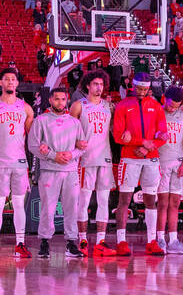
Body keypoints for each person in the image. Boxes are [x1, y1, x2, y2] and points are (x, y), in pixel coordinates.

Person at [0, 68, 36, 259]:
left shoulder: (26, 108)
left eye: (14, 79)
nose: (11, 82)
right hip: (0, 163)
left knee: (19, 204)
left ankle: (20, 243)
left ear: (17, 83)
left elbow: (33, 138)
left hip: (20, 163)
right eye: (7, 79)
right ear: (0, 83)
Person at [27, 87, 88, 258]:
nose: (60, 102)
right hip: (49, 170)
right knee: (48, 208)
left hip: (70, 171)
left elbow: (82, 146)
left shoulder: (75, 122)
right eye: (56, 99)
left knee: (71, 208)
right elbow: (32, 145)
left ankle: (71, 243)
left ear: (67, 100)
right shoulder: (41, 120)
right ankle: (44, 242)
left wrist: (72, 154)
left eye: (63, 99)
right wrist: (53, 155)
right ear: (50, 101)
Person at [111, 73, 168, 255]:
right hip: (129, 158)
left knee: (151, 200)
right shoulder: (123, 105)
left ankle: (152, 240)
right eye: (139, 89)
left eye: (145, 89)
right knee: (124, 200)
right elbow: (118, 136)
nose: (142, 92)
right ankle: (121, 241)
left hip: (150, 158)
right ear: (133, 86)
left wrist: (146, 147)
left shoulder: (156, 106)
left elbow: (163, 135)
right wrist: (142, 142)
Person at [70, 70, 118, 257]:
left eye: (101, 84)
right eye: (95, 84)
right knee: (83, 201)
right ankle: (82, 239)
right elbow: (68, 132)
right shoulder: (78, 106)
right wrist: (75, 143)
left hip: (105, 158)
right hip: (85, 159)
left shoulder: (109, 107)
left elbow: (115, 130)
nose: (99, 88)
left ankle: (101, 241)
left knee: (104, 201)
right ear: (88, 86)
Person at [155, 86, 183, 254]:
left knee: (175, 203)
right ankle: (160, 239)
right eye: (170, 104)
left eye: (176, 106)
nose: (172, 108)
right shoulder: (157, 113)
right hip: (161, 163)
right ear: (164, 98)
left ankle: (174, 240)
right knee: (162, 203)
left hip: (178, 164)